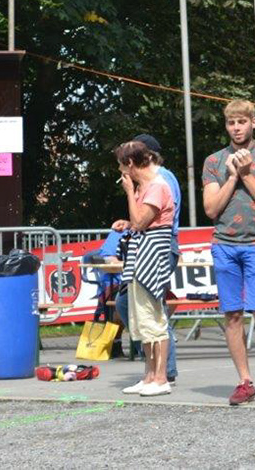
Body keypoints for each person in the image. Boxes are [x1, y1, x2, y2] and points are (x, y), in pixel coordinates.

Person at [202, 99, 255, 406]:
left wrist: (248, 173)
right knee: (233, 315)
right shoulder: (214, 161)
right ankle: (244, 381)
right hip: (224, 244)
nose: (236, 128)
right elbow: (211, 208)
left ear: (253, 122)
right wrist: (233, 177)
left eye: (241, 122)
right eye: (231, 123)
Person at [106, 133, 179, 383]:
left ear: (132, 163)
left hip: (157, 251)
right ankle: (150, 374)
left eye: (121, 164)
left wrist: (129, 195)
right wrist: (129, 223)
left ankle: (162, 373)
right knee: (136, 312)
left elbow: (144, 221)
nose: (120, 171)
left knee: (153, 314)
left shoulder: (159, 182)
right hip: (143, 250)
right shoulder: (146, 185)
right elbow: (141, 222)